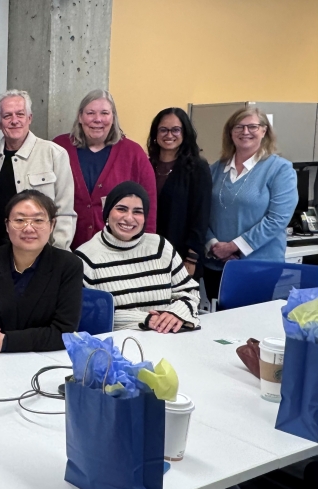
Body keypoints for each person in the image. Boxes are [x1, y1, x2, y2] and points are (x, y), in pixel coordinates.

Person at [0, 191, 83, 357]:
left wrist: (6, 341)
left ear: (52, 225)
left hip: (44, 358)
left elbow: (64, 331)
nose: (28, 228)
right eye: (20, 220)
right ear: (7, 225)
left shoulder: (68, 265)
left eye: (38, 221)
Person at [75, 182, 201, 332]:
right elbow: (88, 315)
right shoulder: (85, 258)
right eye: (121, 209)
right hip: (117, 343)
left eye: (137, 212)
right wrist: (146, 320)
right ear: (107, 212)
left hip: (167, 339)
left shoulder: (161, 247)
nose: (129, 218)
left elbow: (190, 292)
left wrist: (176, 313)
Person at [203, 108, 297, 300]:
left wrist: (233, 247)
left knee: (251, 319)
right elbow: (200, 212)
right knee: (217, 318)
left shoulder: (280, 169)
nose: (245, 132)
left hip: (259, 268)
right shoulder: (215, 169)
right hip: (216, 264)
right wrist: (214, 245)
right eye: (239, 127)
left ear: (264, 131)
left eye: (252, 126)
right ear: (230, 132)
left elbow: (277, 219)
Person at [53, 90, 156, 249]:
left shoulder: (133, 153)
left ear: (113, 117)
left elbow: (149, 205)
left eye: (104, 113)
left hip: (118, 250)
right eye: (90, 113)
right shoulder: (59, 147)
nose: (98, 119)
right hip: (66, 248)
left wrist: (146, 247)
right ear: (80, 117)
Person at [0, 90, 76, 249]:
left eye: (20, 114)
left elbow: (65, 211)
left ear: (29, 118)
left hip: (41, 251)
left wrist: (57, 252)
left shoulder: (54, 154)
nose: (14, 121)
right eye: (7, 116)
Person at [146, 108, 211, 278]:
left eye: (176, 130)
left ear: (185, 133)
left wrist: (192, 258)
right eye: (163, 129)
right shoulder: (147, 165)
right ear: (155, 133)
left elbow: (201, 216)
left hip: (181, 256)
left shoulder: (197, 168)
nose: (169, 135)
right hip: (148, 253)